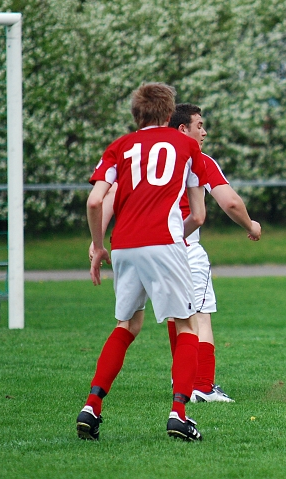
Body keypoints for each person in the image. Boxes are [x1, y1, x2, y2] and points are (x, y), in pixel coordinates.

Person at [90, 104, 261, 403]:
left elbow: (105, 196)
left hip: (131, 245)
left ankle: (102, 401)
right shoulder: (195, 157)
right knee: (198, 317)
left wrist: (97, 240)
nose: (204, 132)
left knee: (142, 321)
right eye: (199, 125)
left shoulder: (134, 155)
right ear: (181, 128)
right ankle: (202, 387)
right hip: (177, 244)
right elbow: (228, 202)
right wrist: (251, 224)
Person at [76, 82, 210, 442]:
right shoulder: (186, 145)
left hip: (123, 246)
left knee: (127, 325)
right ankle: (179, 414)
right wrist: (172, 240)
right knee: (186, 326)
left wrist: (97, 245)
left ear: (136, 114)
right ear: (169, 115)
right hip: (164, 242)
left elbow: (94, 201)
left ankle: (91, 406)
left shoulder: (119, 147)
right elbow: (197, 215)